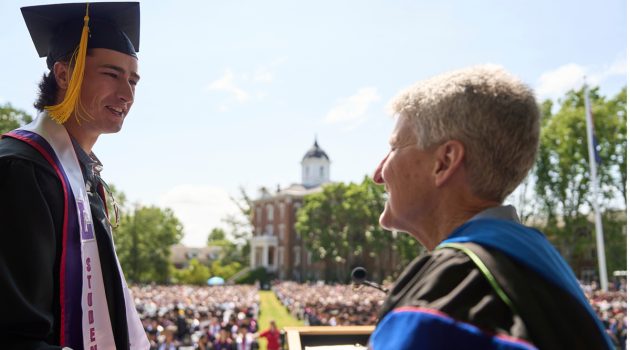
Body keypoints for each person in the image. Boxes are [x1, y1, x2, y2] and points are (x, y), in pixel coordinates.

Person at [368, 65, 614, 349]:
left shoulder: (451, 296)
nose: (378, 173)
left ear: (445, 162)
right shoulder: (541, 264)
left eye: (394, 147)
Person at [0, 2, 148, 349]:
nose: (127, 94)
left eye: (133, 80)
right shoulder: (20, 171)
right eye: (111, 74)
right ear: (64, 74)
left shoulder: (81, 176)